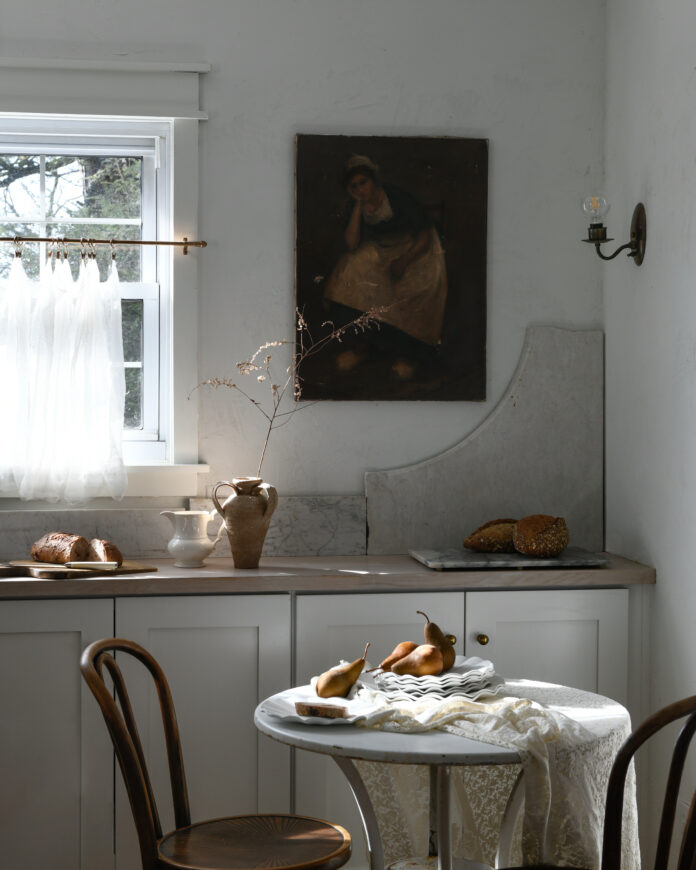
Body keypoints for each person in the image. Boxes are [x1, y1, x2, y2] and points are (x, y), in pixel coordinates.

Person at [323, 154, 448, 377]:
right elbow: (351, 244)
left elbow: (424, 234)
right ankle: (360, 348)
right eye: (354, 186)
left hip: (416, 249)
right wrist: (359, 206)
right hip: (382, 251)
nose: (360, 189)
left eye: (364, 182)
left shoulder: (396, 196)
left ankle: (408, 355)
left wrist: (405, 260)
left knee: (413, 288)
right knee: (349, 274)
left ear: (374, 180)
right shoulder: (355, 204)